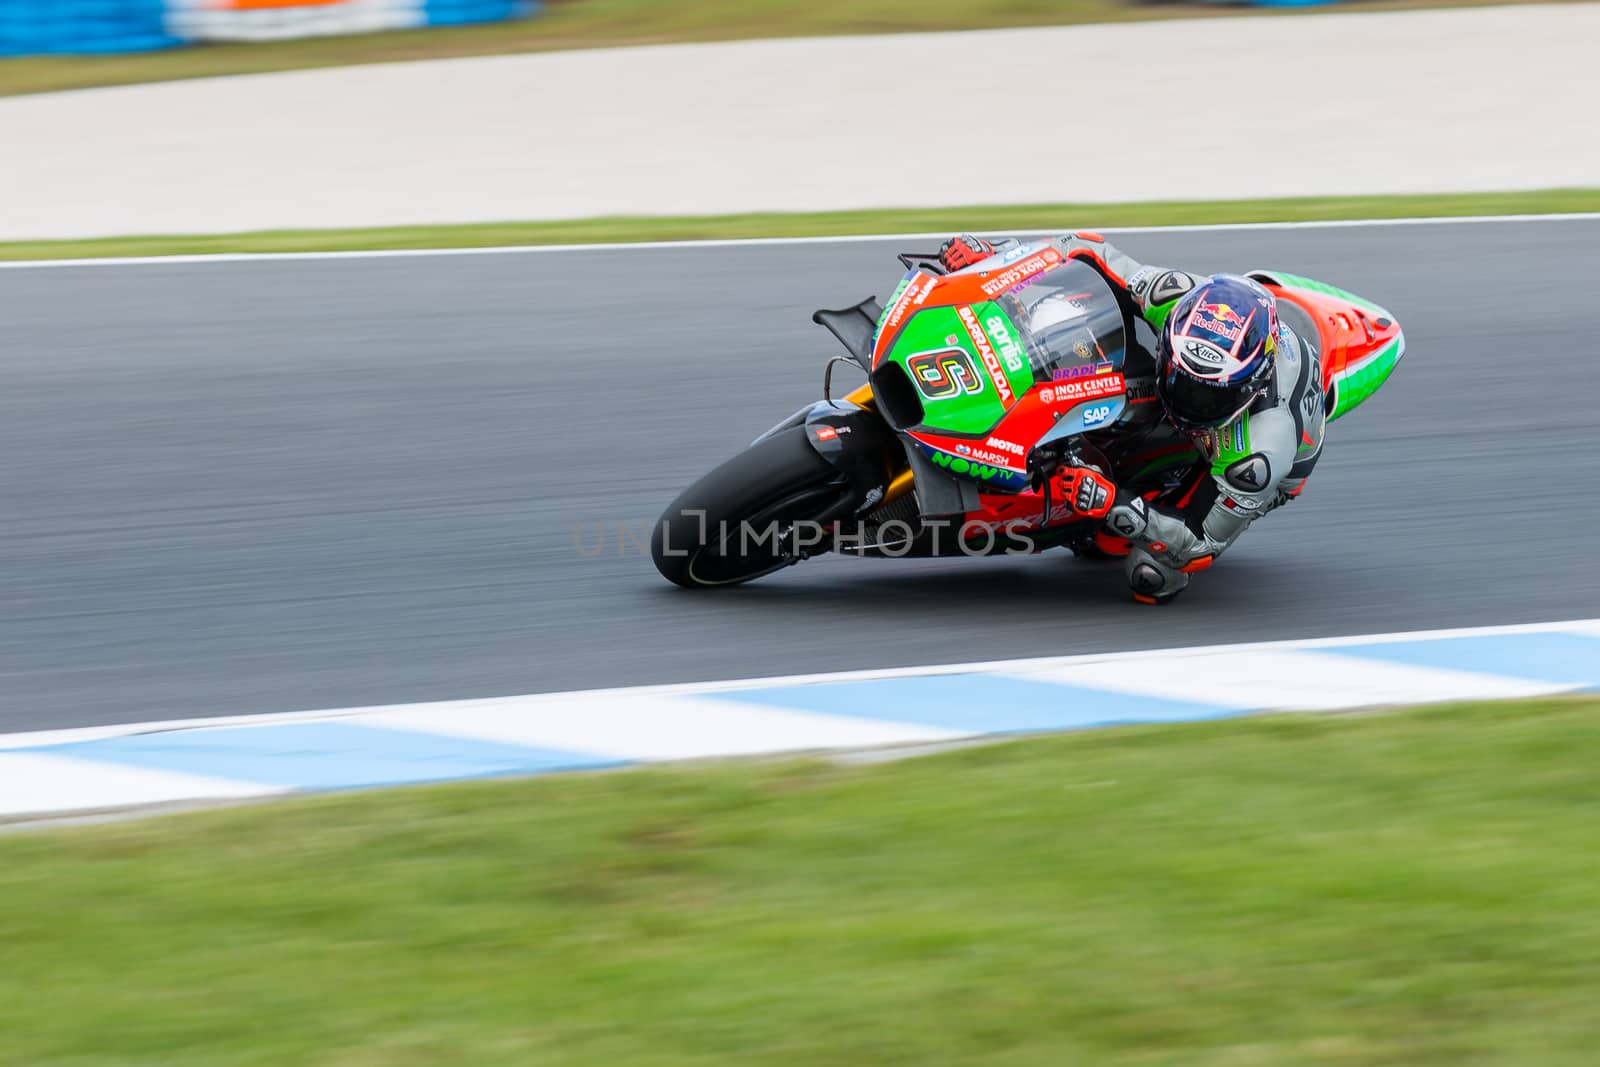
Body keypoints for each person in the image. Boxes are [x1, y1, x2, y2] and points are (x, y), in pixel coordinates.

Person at [937, 232, 1326, 604]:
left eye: (1209, 393)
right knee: (1091, 355)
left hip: (1234, 457)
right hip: (1200, 393)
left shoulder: (1258, 457)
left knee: (1151, 577)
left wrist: (1114, 505)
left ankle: (1115, 516)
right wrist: (998, 255)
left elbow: (1199, 542)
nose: (1187, 398)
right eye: (1179, 374)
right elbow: (1085, 250)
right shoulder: (1176, 297)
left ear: (1250, 387)